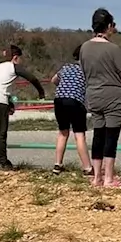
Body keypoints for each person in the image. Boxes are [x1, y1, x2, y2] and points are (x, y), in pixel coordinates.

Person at [80, 8, 121, 188]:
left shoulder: (84, 48)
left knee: (98, 135)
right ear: (109, 26)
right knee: (111, 137)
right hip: (113, 96)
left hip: (93, 95)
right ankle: (109, 178)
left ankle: (96, 178)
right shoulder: (113, 48)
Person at [0, 44, 46, 169]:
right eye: (20, 59)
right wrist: (41, 92)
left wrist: (9, 103)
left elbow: (2, 86)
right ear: (15, 57)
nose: (20, 62)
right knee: (0, 133)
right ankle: (3, 162)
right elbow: (32, 78)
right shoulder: (12, 67)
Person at [51, 45, 93, 175]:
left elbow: (54, 80)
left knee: (63, 132)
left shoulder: (66, 67)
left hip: (59, 100)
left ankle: (57, 164)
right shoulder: (87, 70)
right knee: (79, 135)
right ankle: (87, 167)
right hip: (75, 101)